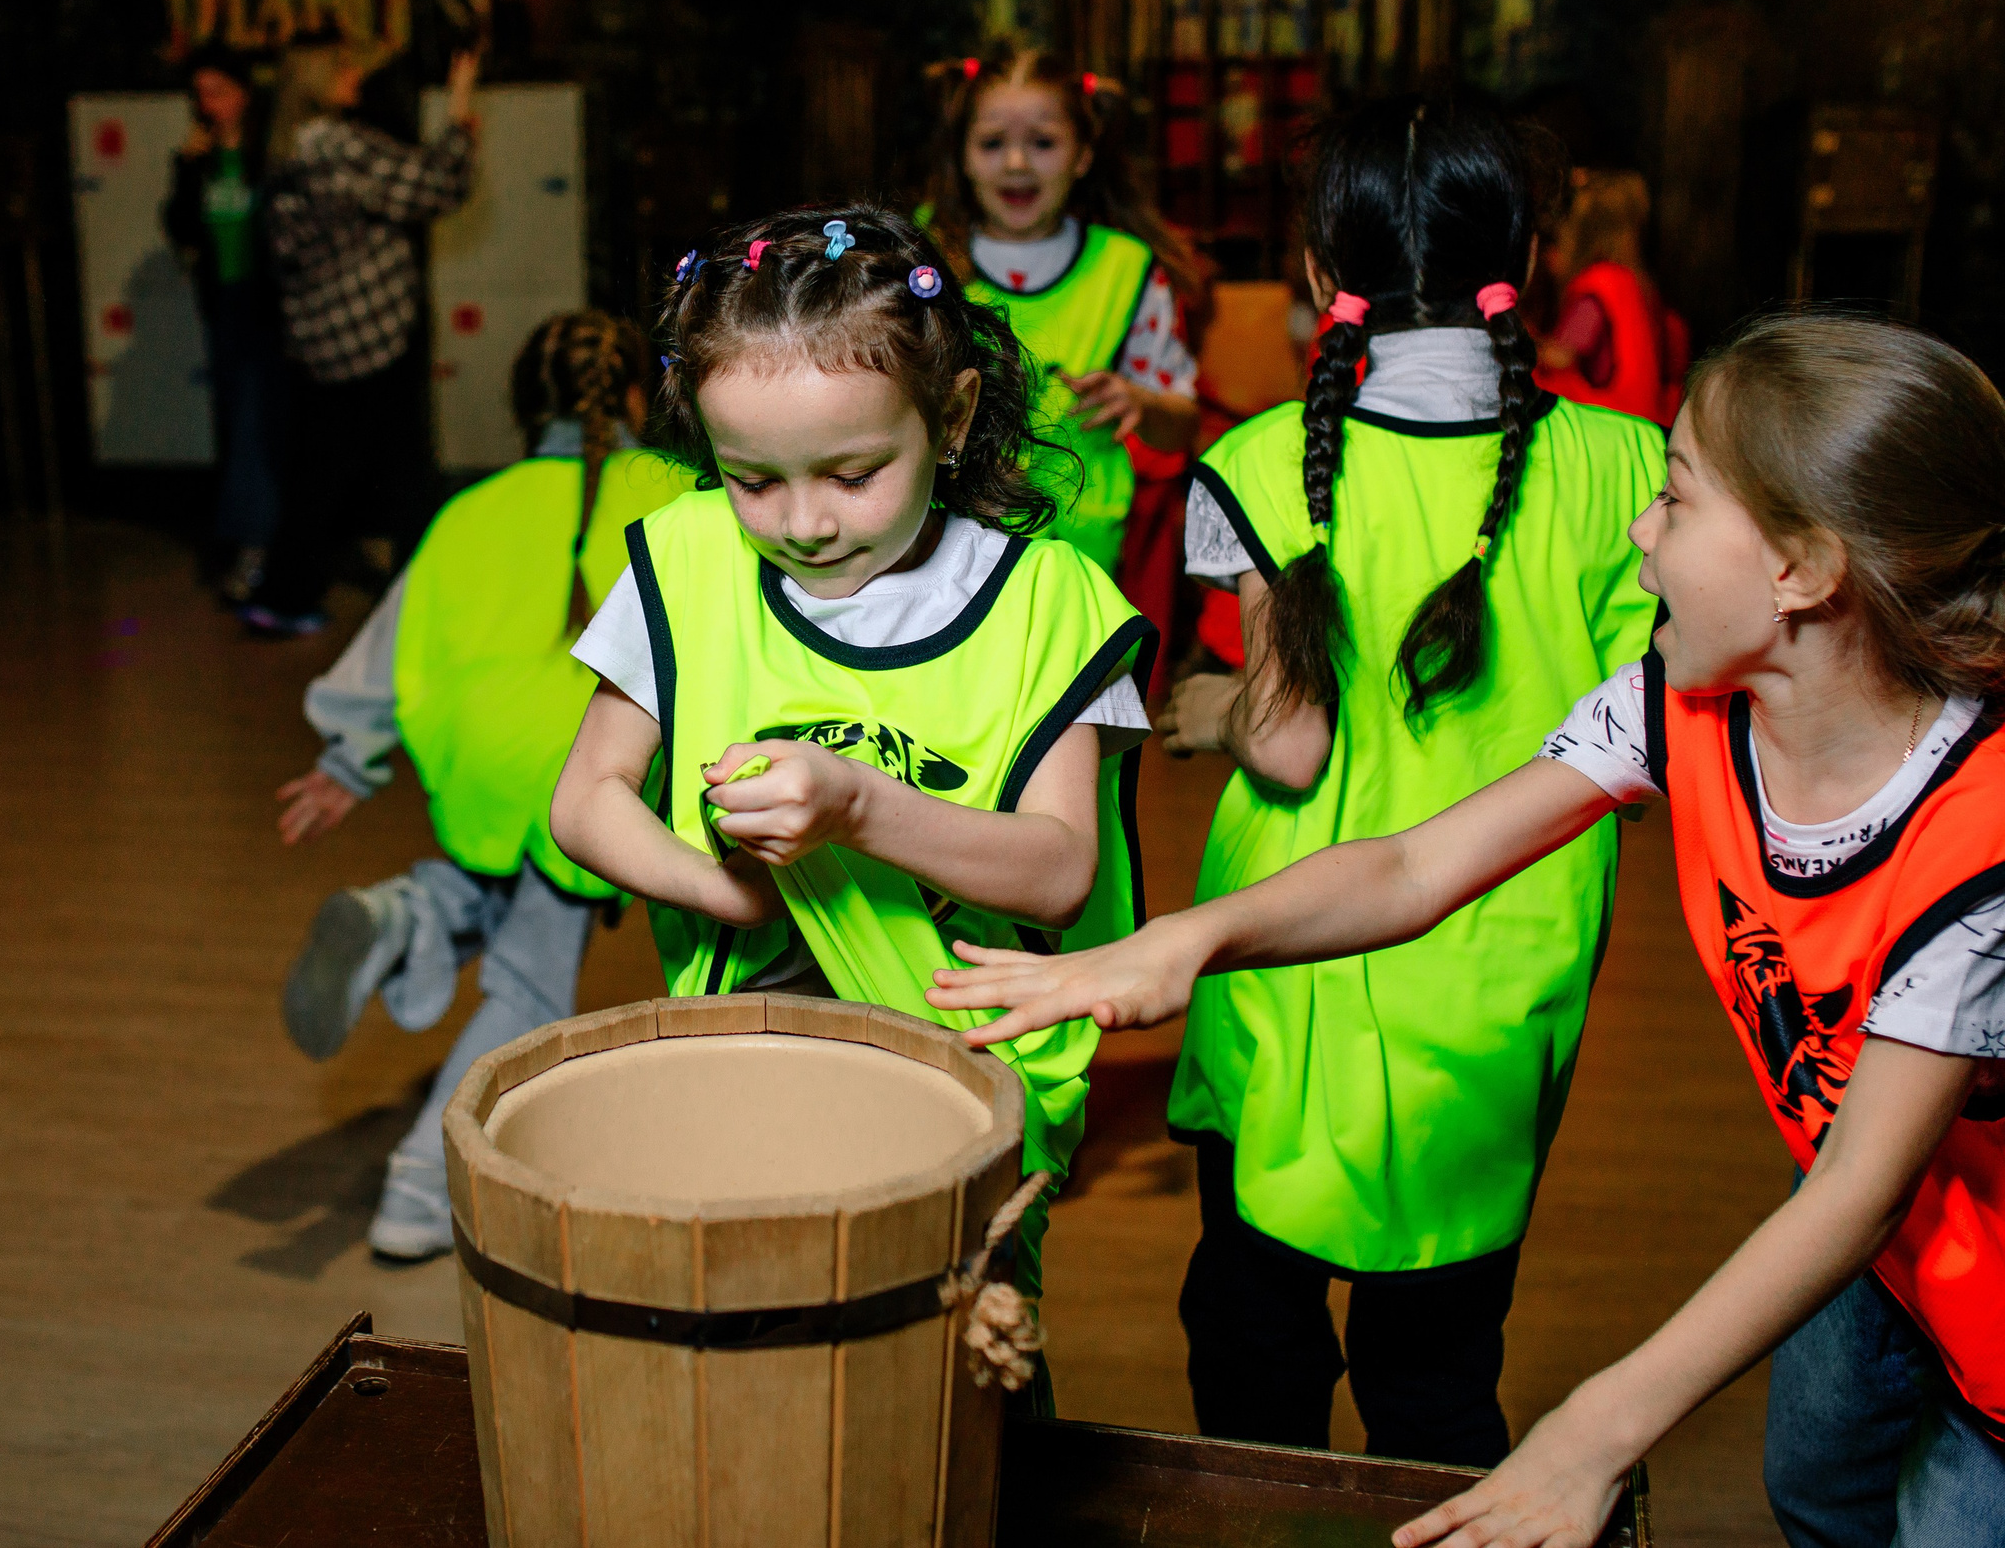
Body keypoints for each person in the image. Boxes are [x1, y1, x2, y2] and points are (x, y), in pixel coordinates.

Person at [934, 310, 2005, 1548]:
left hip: (1957, 1289)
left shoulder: (1977, 859)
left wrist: (1593, 1432)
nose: (1637, 530)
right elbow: (1410, 864)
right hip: (1887, 1245)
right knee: (1819, 1494)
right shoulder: (1678, 703)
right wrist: (1186, 939)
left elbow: (1855, 1195)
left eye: (1675, 498)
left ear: (1802, 571)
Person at [1135, 94, 1670, 1466]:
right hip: (1503, 976)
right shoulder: (1628, 467)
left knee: (1255, 1341)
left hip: (1283, 970)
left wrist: (1200, 706)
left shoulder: (1260, 465)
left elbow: (1289, 740)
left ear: (1321, 273)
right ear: (1531, 256)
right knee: (1437, 1365)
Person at [548, 208, 1157, 1368]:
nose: (806, 523)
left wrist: (861, 809)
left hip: (967, 1098)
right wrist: (731, 896)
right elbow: (587, 801)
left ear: (955, 415)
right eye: (751, 482)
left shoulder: (1053, 602)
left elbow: (1061, 869)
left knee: (949, 1386)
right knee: (752, 1364)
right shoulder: (682, 558)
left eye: (854, 472)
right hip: (741, 1062)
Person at [272, 311, 690, 1261]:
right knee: (530, 977)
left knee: (496, 885)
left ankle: (406, 919)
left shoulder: (471, 510)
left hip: (480, 756)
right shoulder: (681, 496)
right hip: (589, 757)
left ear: (518, 408)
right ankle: (421, 1186)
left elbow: (388, 637)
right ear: (638, 398)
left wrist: (346, 762)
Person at [922, 48, 1205, 578]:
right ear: (962, 154)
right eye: (991, 143)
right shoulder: (921, 254)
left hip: (1085, 554)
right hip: (947, 548)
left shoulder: (1127, 267)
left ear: (1083, 155)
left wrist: (1141, 402)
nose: (1016, 163)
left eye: (1043, 143)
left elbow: (1183, 424)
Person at [245, 40, 480, 636]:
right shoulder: (342, 147)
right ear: (320, 82)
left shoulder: (283, 149)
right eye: (342, 68)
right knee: (403, 473)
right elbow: (434, 187)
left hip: (318, 341)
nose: (354, 76)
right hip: (372, 336)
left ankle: (284, 595)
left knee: (320, 474)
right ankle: (424, 602)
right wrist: (459, 120)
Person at [162, 49, 284, 603]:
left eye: (217, 89)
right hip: (225, 302)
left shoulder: (269, 152)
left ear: (243, 92)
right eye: (200, 94)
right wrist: (190, 170)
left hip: (271, 305)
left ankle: (258, 545)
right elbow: (182, 228)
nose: (208, 104)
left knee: (261, 421)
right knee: (239, 423)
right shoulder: (200, 158)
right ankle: (248, 543)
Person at [1533, 168, 1690, 426]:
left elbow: (1561, 356)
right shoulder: (1637, 282)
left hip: (1609, 426)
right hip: (1644, 425)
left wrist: (1519, 339)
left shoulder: (1599, 284)